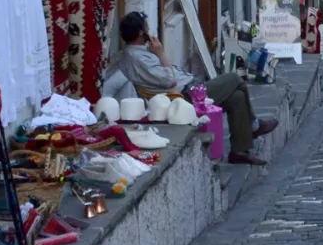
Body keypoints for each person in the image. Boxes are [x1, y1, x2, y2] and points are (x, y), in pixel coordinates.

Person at [110, 11, 278, 166]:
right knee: (234, 78)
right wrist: (160, 53)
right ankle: (254, 125)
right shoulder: (135, 58)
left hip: (189, 89)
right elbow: (170, 80)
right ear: (141, 33)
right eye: (146, 27)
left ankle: (239, 151)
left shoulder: (141, 53)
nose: (150, 30)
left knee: (237, 97)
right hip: (183, 98)